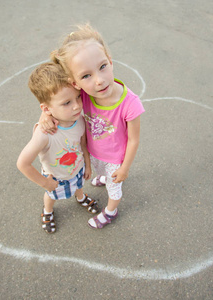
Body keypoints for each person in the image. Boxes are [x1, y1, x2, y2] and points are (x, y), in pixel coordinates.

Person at [40, 24, 145, 229]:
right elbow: (54, 97)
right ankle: (104, 177)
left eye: (103, 66)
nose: (99, 80)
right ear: (75, 83)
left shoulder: (130, 103)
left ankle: (111, 212)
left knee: (115, 189)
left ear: (110, 61)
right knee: (101, 174)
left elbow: (134, 139)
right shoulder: (83, 94)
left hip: (116, 159)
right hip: (93, 153)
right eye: (86, 75)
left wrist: (125, 168)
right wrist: (44, 113)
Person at [17, 62, 99, 234]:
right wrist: (45, 182)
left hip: (77, 168)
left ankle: (80, 197)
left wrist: (88, 164)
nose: (76, 105)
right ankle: (47, 211)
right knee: (51, 196)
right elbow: (23, 163)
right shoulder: (45, 133)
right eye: (66, 102)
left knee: (78, 184)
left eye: (77, 97)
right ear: (46, 109)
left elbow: (82, 143)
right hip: (56, 178)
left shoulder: (79, 119)